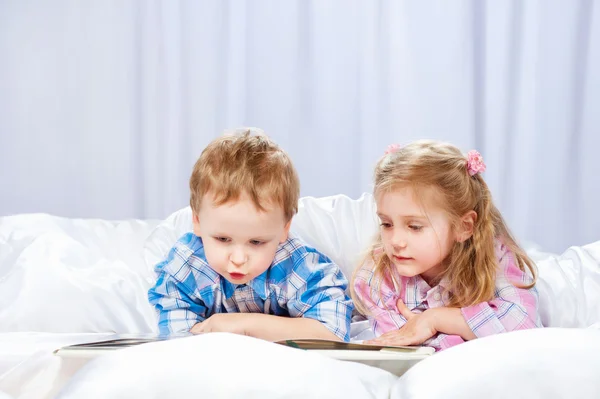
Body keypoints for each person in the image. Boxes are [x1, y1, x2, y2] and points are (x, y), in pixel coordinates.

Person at [148, 128, 353, 342]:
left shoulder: (298, 265)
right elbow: (176, 343)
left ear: (285, 228)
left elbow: (333, 332)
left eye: (256, 242)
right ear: (197, 222)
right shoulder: (185, 267)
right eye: (222, 239)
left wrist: (245, 325)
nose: (238, 259)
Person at [351, 140, 542, 351]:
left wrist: (436, 319)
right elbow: (407, 347)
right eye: (387, 224)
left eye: (414, 226)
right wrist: (473, 328)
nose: (395, 241)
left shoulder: (495, 257)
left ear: (463, 227)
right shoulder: (377, 276)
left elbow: (525, 329)